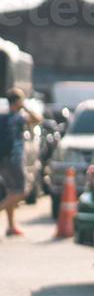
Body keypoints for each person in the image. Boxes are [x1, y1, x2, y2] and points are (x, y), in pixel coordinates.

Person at [1, 88, 43, 237]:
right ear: (17, 101)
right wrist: (25, 107)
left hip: (2, 159)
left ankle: (11, 226)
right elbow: (38, 119)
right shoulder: (17, 117)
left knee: (11, 191)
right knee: (22, 191)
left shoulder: (2, 117)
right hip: (14, 158)